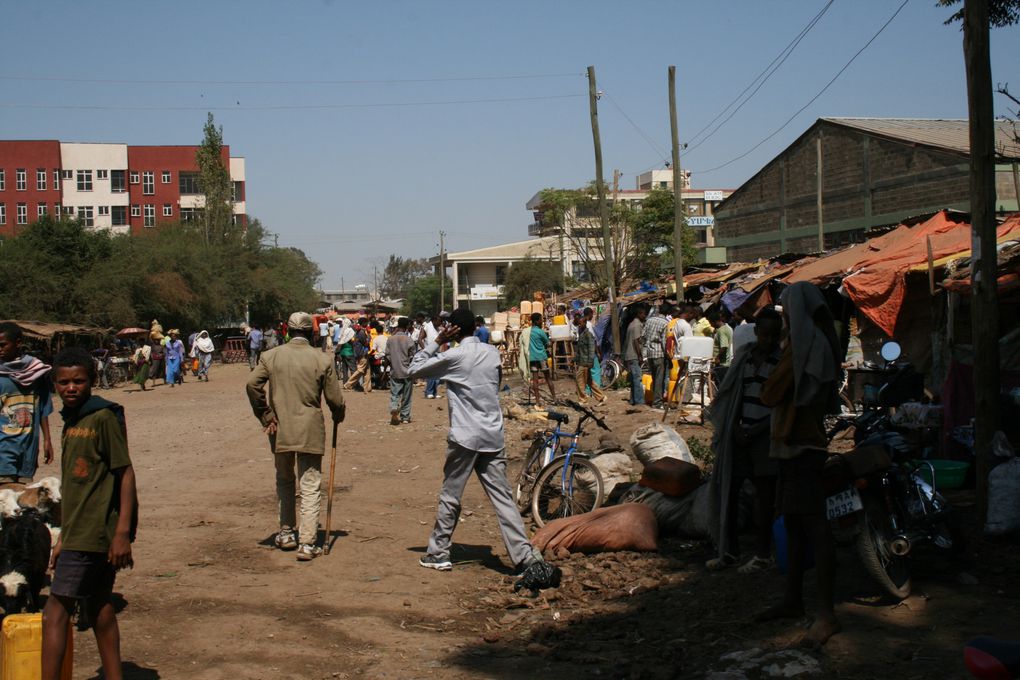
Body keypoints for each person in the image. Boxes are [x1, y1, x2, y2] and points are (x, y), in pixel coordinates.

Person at [408, 308, 546, 574]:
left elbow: (412, 369)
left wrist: (437, 343)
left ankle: (438, 552)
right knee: (503, 498)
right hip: (492, 434)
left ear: (454, 330)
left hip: (465, 436)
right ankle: (524, 556)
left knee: (451, 495)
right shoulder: (492, 353)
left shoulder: (454, 356)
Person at [42, 347, 137, 680]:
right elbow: (73, 485)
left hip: (94, 531)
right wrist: (62, 536)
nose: (71, 388)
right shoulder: (72, 420)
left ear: (92, 381)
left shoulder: (101, 417)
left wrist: (122, 532)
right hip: (78, 530)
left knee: (54, 613)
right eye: (64, 382)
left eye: (79, 381)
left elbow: (124, 472)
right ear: (54, 384)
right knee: (99, 606)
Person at [757, 282, 842, 646]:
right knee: (793, 523)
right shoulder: (814, 346)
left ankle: (826, 614)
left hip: (801, 447)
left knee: (814, 528)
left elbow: (770, 393)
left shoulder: (803, 350)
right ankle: (793, 599)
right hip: (795, 445)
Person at [246, 311, 345, 560]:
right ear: (312, 332)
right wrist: (338, 412)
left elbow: (252, 385)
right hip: (311, 428)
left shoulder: (271, 356)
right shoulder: (321, 359)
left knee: (285, 479)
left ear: (287, 331)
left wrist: (265, 415)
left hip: (279, 428)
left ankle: (287, 532)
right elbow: (335, 399)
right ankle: (308, 543)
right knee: (310, 485)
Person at [707, 308, 782, 574]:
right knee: (729, 489)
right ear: (757, 332)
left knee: (764, 497)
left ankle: (763, 554)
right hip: (740, 434)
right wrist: (736, 426)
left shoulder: (782, 362)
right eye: (765, 334)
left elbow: (780, 407)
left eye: (775, 335)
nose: (769, 340)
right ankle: (730, 551)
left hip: (766, 436)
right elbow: (734, 395)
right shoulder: (746, 359)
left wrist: (758, 429)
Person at [0, 322, 54, 483]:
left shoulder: (36, 371)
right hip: (3, 447)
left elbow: (42, 409)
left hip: (29, 448)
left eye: (3, 345)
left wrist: (47, 440)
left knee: (25, 498)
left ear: (18, 343)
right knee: (7, 498)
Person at [386, 317, 416, 425]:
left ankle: (394, 407)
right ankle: (405, 417)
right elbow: (413, 356)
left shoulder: (390, 339)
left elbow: (387, 355)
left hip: (395, 371)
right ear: (407, 326)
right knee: (407, 396)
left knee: (395, 393)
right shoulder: (409, 340)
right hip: (407, 371)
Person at [641, 303, 669, 410]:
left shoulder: (649, 320)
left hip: (649, 354)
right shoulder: (665, 323)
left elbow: (643, 336)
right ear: (667, 313)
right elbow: (663, 341)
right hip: (659, 354)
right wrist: (668, 355)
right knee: (659, 379)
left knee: (654, 377)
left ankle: (656, 399)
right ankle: (657, 402)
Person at [525, 312, 556, 405]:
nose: (542, 321)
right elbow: (548, 344)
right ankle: (554, 398)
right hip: (542, 357)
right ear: (537, 321)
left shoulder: (528, 331)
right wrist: (552, 342)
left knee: (535, 380)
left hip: (532, 358)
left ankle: (537, 401)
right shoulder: (540, 331)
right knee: (548, 378)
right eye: (541, 319)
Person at [573, 314, 605, 405]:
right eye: (579, 324)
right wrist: (574, 360)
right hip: (582, 361)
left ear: (585, 323)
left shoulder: (588, 335)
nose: (579, 325)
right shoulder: (581, 333)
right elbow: (579, 350)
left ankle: (583, 400)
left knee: (579, 380)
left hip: (586, 362)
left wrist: (590, 362)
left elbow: (591, 349)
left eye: (581, 323)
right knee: (589, 381)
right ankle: (601, 397)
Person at [624, 305, 648, 406]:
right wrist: (640, 355)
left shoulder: (631, 324)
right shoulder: (637, 325)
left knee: (634, 379)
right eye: (643, 314)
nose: (645, 315)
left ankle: (633, 400)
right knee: (637, 378)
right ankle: (639, 401)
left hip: (629, 354)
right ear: (639, 314)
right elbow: (636, 341)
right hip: (634, 354)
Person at [342, 321, 373, 393]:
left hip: (362, 353)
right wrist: (369, 336)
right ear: (363, 324)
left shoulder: (359, 332)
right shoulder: (362, 333)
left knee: (367, 371)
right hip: (362, 354)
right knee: (360, 370)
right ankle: (348, 385)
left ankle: (367, 388)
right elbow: (365, 343)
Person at [422, 312, 443, 398]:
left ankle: (434, 392)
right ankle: (429, 392)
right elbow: (420, 339)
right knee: (431, 374)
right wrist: (425, 350)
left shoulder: (438, 329)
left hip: (437, 353)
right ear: (434, 320)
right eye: (439, 321)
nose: (440, 323)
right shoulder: (427, 326)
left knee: (437, 374)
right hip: (430, 353)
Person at [710, 309, 734, 385]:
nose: (711, 325)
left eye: (711, 322)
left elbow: (724, 346)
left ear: (715, 321)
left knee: (719, 385)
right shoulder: (727, 327)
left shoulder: (721, 331)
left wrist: (717, 357)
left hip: (722, 364)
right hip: (727, 362)